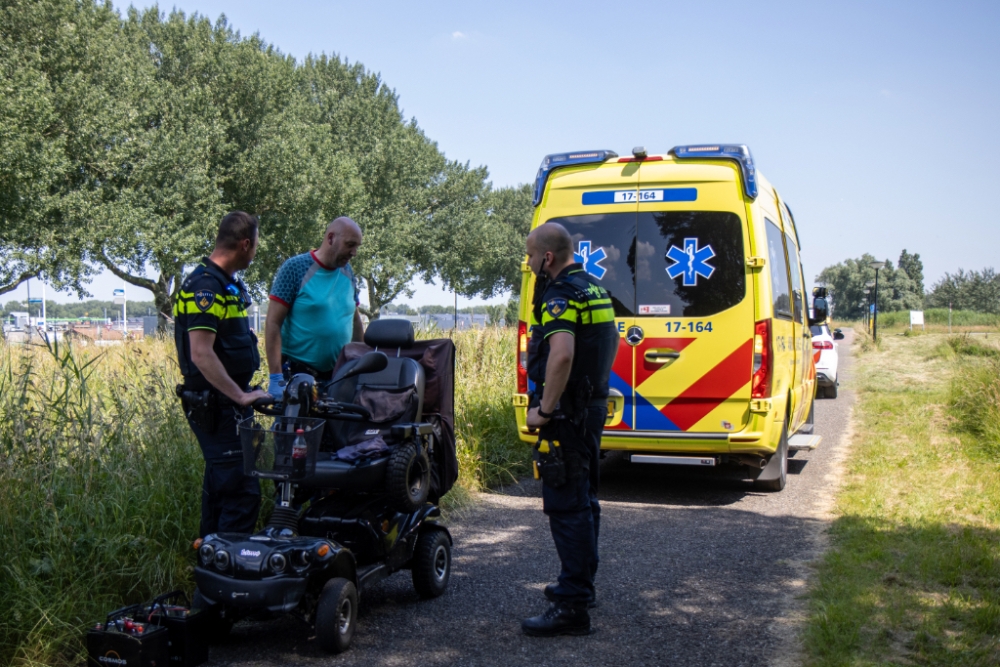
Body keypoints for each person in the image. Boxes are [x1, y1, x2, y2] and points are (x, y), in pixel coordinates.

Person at [521, 222, 618, 637]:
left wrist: (544, 410)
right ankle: (582, 586)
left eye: (530, 257)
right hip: (591, 406)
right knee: (585, 499)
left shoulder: (559, 295)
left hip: (566, 414)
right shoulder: (595, 288)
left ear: (547, 258)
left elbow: (560, 356)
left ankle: (572, 605)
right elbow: (608, 342)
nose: (528, 264)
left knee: (565, 503)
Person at [173, 211, 271, 536]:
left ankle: (209, 570)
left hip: (228, 403)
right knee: (241, 491)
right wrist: (241, 395)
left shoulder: (224, 283)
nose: (255, 251)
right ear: (245, 244)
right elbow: (201, 353)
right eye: (255, 244)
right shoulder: (206, 286)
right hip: (216, 405)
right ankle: (231, 578)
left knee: (220, 487)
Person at [265, 217, 364, 396]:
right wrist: (275, 377)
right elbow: (273, 323)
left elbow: (354, 319)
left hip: (337, 379)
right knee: (293, 425)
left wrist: (361, 364)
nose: (354, 252)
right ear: (331, 238)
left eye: (357, 246)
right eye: (350, 244)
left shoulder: (348, 273)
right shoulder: (295, 269)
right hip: (298, 378)